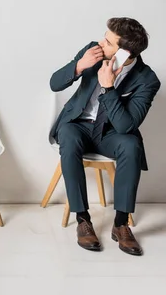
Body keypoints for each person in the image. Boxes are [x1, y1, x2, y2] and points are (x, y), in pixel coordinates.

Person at [49, 17, 160, 256]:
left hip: (110, 134)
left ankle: (121, 224)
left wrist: (108, 88)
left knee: (131, 145)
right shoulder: (93, 51)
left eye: (108, 41)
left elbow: (126, 126)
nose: (101, 42)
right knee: (67, 135)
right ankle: (82, 219)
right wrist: (79, 66)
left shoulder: (147, 80)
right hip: (78, 125)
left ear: (124, 53)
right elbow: (54, 84)